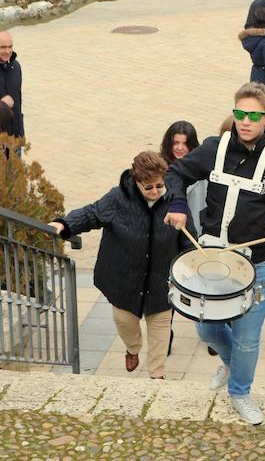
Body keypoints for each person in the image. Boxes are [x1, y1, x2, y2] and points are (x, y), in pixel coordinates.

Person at [163, 82, 265, 425]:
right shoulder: (213, 148)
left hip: (260, 264)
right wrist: (176, 202)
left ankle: (240, 392)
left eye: (253, 116)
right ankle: (231, 362)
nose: (245, 122)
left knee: (248, 340)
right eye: (239, 114)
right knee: (205, 329)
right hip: (214, 258)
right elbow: (177, 172)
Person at [49, 152, 192, 380]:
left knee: (161, 330)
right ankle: (133, 348)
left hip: (161, 281)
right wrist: (64, 224)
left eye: (159, 185)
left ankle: (157, 376)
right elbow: (91, 214)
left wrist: (193, 263)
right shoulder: (117, 198)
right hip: (125, 278)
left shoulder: (175, 201)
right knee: (125, 322)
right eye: (148, 187)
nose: (155, 192)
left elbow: (188, 238)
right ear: (136, 182)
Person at [159, 120, 204, 356]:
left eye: (185, 144)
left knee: (203, 287)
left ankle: (211, 332)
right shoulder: (159, 168)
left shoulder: (201, 168)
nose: (179, 148)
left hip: (196, 237)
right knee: (167, 287)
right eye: (175, 142)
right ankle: (164, 335)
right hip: (167, 238)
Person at [0, 31, 23, 140]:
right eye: (3, 47)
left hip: (15, 137)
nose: (7, 51)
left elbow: (18, 101)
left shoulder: (16, 66)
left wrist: (21, 134)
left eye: (10, 46)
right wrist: (3, 105)